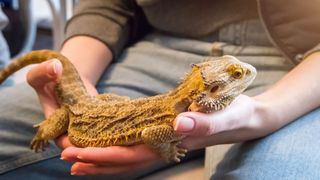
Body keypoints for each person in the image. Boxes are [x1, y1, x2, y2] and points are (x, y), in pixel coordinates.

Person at [1, 0, 320, 179]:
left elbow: (157, 134)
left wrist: (270, 113)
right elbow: (109, 6)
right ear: (208, 90)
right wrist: (71, 76)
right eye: (236, 73)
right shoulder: (179, 109)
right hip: (152, 45)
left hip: (302, 68)